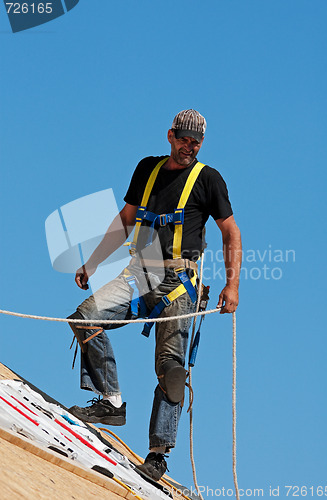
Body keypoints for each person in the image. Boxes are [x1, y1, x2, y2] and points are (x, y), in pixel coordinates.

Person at [67, 109, 242, 481]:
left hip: (179, 284)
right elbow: (126, 219)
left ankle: (158, 454)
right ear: (171, 135)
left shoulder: (208, 180)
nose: (189, 147)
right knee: (85, 318)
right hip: (138, 274)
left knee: (171, 369)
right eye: (184, 139)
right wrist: (93, 263)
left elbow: (231, 233)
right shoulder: (147, 169)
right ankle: (111, 403)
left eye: (196, 142)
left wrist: (232, 285)